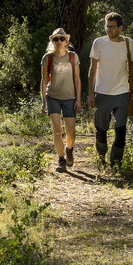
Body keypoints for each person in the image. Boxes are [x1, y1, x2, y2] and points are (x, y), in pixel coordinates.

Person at [87, 11, 133, 171]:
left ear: (120, 28)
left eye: (112, 27)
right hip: (102, 92)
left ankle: (116, 164)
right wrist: (90, 93)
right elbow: (92, 69)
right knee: (101, 128)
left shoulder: (128, 43)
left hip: (122, 93)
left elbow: (132, 66)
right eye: (106, 26)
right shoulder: (98, 43)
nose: (108, 30)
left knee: (121, 130)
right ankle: (101, 158)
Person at [38, 27, 81, 170]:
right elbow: (44, 81)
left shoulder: (73, 57)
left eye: (62, 38)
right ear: (52, 42)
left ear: (66, 41)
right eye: (56, 39)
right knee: (57, 130)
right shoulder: (47, 58)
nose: (59, 41)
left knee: (71, 133)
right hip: (53, 97)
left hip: (70, 97)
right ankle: (61, 159)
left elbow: (77, 79)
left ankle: (69, 149)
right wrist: (44, 101)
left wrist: (79, 99)